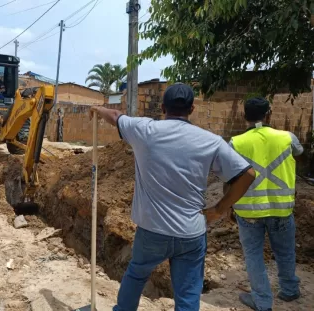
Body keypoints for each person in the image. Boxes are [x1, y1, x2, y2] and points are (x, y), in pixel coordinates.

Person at [90, 83, 256, 311]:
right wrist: (219, 209)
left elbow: (116, 116)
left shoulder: (144, 130)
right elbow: (247, 174)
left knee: (137, 275)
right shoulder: (210, 141)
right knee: (188, 293)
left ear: (162, 107)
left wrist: (99, 110)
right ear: (192, 109)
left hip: (152, 231)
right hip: (191, 233)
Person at [229, 98, 303, 311]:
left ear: (244, 117)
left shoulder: (236, 142)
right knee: (285, 252)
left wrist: (228, 206)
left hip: (249, 211)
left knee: (253, 256)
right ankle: (289, 291)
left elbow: (229, 177)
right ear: (269, 114)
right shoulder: (287, 138)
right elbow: (299, 154)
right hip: (281, 209)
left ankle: (261, 301)